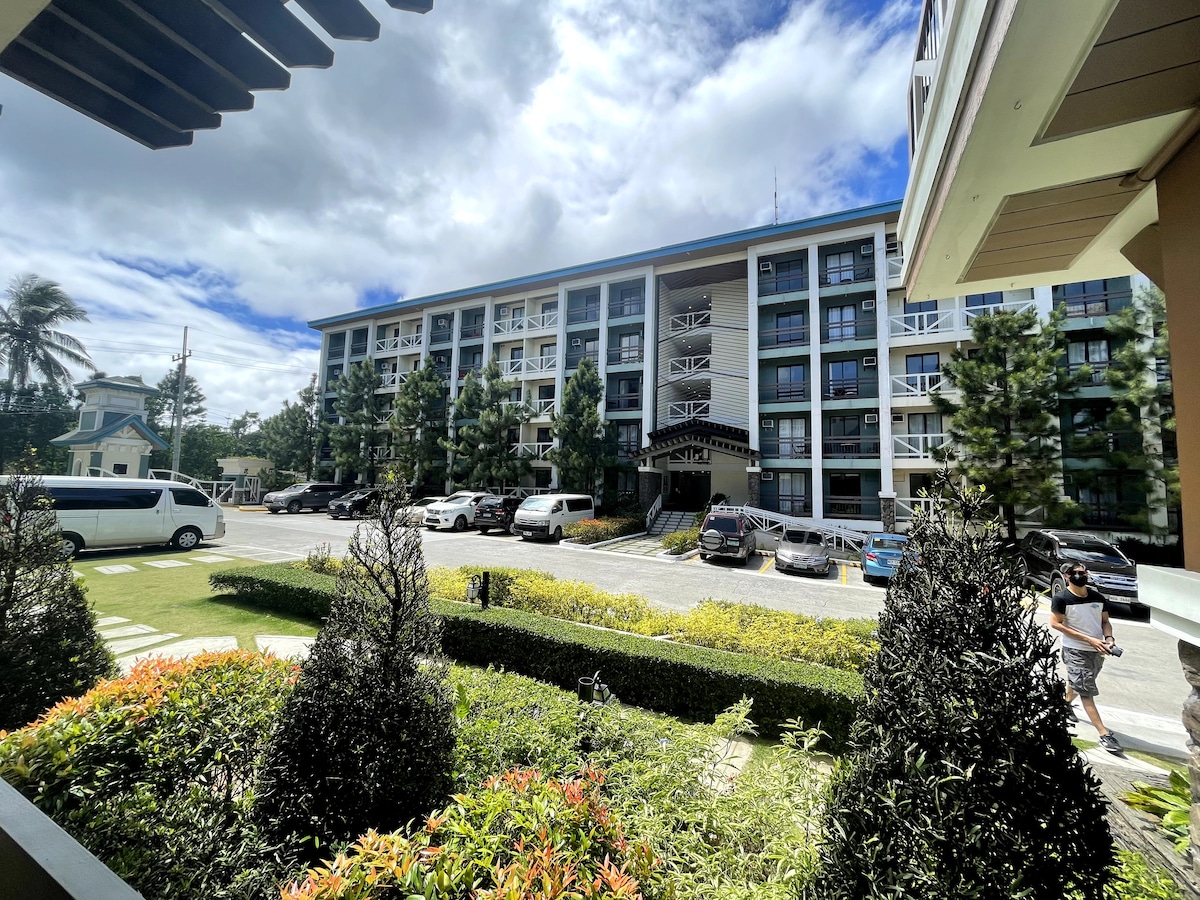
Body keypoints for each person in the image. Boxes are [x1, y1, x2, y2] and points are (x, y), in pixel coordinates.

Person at [1049, 563, 1121, 754]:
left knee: (1079, 683)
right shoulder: (1061, 599)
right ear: (1067, 576)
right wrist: (1088, 639)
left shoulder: (1097, 597)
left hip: (1098, 650)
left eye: (1083, 572)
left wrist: (1109, 639)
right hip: (1076, 650)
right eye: (1076, 573)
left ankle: (1064, 705)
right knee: (1086, 691)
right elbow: (1056, 624)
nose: (1081, 575)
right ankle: (1104, 734)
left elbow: (1105, 622)